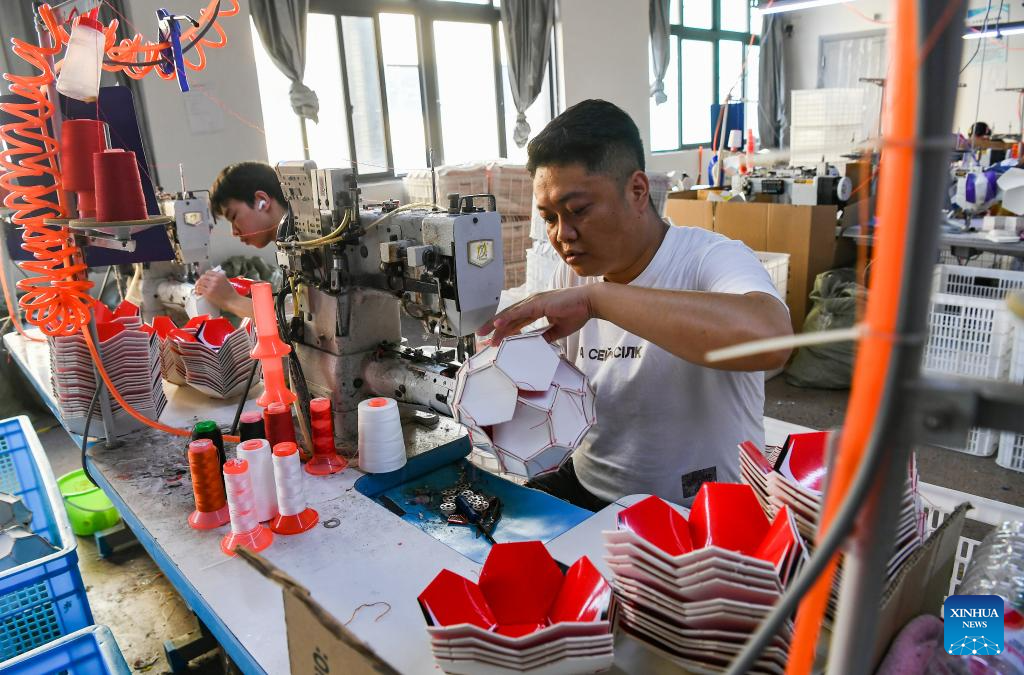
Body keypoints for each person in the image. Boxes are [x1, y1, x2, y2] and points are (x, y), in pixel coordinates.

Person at [478, 100, 793, 511]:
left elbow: (769, 339)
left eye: (578, 211)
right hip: (590, 489)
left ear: (638, 191)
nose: (563, 235)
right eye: (549, 218)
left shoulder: (710, 259)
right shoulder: (571, 274)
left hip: (694, 507)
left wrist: (598, 299)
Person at [195, 161, 288, 317]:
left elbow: (296, 323)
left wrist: (230, 300)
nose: (234, 232)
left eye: (233, 216)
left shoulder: (311, 246)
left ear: (261, 201)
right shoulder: (290, 246)